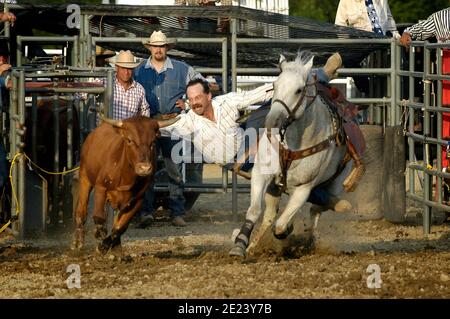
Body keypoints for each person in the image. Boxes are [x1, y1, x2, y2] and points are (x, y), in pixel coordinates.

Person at [159, 53, 354, 212]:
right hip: (240, 160)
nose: (194, 102)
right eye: (191, 99)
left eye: (198, 97)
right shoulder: (188, 121)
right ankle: (328, 200)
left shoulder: (226, 102)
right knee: (282, 179)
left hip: (249, 141)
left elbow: (251, 96)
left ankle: (320, 76)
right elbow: (163, 127)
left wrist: (279, 89)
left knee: (281, 101)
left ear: (208, 96)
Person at [133, 30, 205, 227]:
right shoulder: (138, 70)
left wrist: (189, 103)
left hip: (174, 124)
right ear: (150, 48)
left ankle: (177, 212)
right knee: (146, 168)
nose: (158, 49)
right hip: (149, 125)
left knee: (174, 170)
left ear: (166, 48)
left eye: (161, 46)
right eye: (155, 46)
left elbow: (203, 86)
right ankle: (146, 212)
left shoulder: (182, 69)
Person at [400, 8, 450, 194]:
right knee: (446, 133)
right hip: (447, 87)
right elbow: (418, 29)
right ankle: (445, 186)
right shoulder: (442, 18)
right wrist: (408, 33)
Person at [109, 50, 150, 120]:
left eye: (129, 69)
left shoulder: (139, 89)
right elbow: (85, 93)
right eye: (123, 68)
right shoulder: (106, 82)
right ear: (116, 68)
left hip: (129, 130)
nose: (126, 72)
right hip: (109, 129)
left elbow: (144, 110)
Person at [335, 0, 400, 38]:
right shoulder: (345, 1)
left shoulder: (382, 1)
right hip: (361, 46)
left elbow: (389, 21)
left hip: (383, 43)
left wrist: (397, 38)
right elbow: (340, 26)